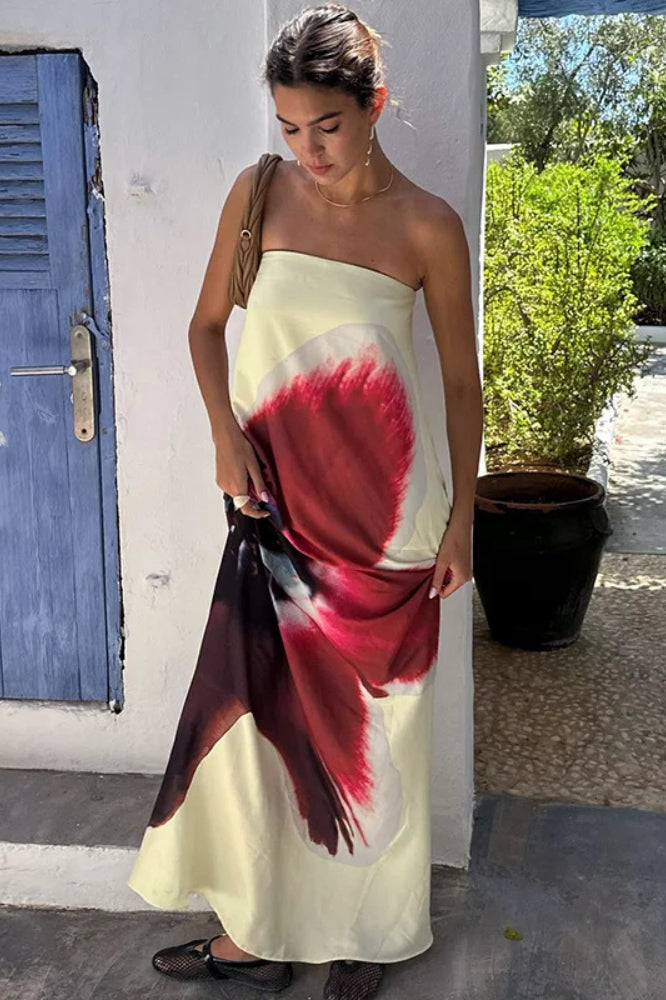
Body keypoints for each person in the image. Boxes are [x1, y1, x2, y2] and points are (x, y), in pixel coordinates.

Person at [127, 4, 483, 999]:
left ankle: (367, 932)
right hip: (272, 514)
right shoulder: (258, 194)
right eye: (289, 127)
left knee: (379, 739)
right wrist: (223, 435)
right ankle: (259, 933)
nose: (308, 149)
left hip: (389, 528)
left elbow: (461, 383)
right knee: (261, 736)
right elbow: (205, 329)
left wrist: (464, 517)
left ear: (375, 104)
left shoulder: (428, 225)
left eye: (326, 124)